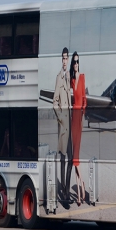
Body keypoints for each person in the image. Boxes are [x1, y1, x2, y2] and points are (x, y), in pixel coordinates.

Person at [53, 47, 72, 202]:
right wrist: (61, 119)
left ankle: (66, 187)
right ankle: (64, 192)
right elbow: (54, 102)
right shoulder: (59, 77)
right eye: (63, 58)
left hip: (71, 123)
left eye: (67, 58)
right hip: (64, 124)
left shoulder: (69, 77)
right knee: (64, 158)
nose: (65, 61)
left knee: (71, 158)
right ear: (61, 60)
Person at [70, 51, 87, 205]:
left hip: (78, 118)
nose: (76, 64)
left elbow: (84, 99)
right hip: (72, 118)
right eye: (74, 62)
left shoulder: (82, 77)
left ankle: (82, 186)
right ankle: (80, 196)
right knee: (74, 157)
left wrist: (82, 113)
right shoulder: (72, 80)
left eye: (77, 61)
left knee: (76, 156)